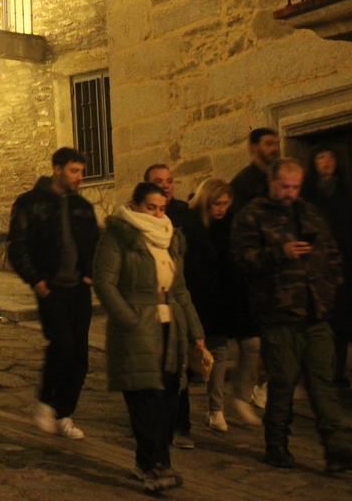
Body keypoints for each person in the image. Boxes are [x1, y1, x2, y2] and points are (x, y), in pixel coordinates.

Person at [232, 158, 352, 472]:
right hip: (279, 313)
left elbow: (332, 255)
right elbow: (243, 261)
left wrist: (328, 288)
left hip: (315, 313)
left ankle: (335, 447)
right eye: (284, 186)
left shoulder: (309, 212)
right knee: (283, 382)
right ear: (272, 183)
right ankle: (277, 444)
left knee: (323, 382)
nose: (290, 192)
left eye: (295, 187)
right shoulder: (252, 216)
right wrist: (278, 254)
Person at [95, 182, 206, 493]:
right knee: (146, 400)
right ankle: (157, 466)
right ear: (135, 205)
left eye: (162, 208)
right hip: (138, 329)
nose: (157, 214)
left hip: (171, 329)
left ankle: (151, 463)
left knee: (169, 399)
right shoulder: (119, 235)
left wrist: (196, 331)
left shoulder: (171, 238)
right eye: (150, 207)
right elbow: (105, 283)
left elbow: (180, 290)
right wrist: (129, 319)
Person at [7, 148, 99, 440]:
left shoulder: (82, 206)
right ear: (57, 170)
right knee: (62, 344)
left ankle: (65, 413)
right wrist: (36, 281)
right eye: (74, 171)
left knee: (80, 355)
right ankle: (46, 402)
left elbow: (95, 243)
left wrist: (89, 273)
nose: (79, 178)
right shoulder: (29, 203)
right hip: (51, 288)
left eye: (82, 171)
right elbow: (17, 245)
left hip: (79, 289)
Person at [303, 145, 352, 398]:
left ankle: (339, 375)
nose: (326, 161)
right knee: (324, 324)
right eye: (321, 157)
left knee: (343, 325)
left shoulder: (346, 193)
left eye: (330, 156)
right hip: (320, 268)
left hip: (346, 266)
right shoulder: (309, 195)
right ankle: (322, 376)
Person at [144, 164, 197, 448]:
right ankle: (154, 426)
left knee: (180, 366)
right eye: (158, 181)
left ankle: (181, 425)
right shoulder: (137, 222)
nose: (165, 185)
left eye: (169, 181)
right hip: (149, 308)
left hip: (177, 301)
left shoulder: (184, 215)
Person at [182, 178, 239, 433]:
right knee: (185, 354)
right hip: (194, 297)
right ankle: (178, 413)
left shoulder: (226, 225)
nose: (222, 209)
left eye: (226, 204)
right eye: (218, 203)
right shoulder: (190, 224)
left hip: (219, 297)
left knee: (219, 351)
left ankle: (216, 409)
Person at [230, 127, 280, 215]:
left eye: (277, 144)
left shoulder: (279, 175)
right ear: (254, 148)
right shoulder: (242, 182)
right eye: (269, 144)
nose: (275, 148)